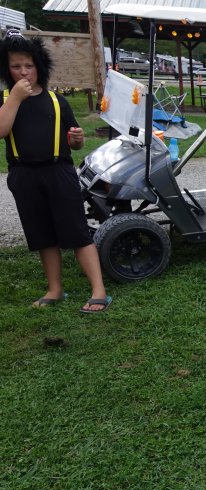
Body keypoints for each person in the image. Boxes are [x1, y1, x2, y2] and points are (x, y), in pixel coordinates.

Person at [0, 30, 110, 313]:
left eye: (29, 65)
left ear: (40, 66)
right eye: (16, 66)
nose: (24, 72)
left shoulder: (56, 100)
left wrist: (76, 140)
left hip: (58, 171)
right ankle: (55, 289)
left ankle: (98, 289)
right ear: (6, 69)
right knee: (42, 235)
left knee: (76, 231)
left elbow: (74, 141)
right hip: (24, 174)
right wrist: (14, 99)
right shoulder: (5, 100)